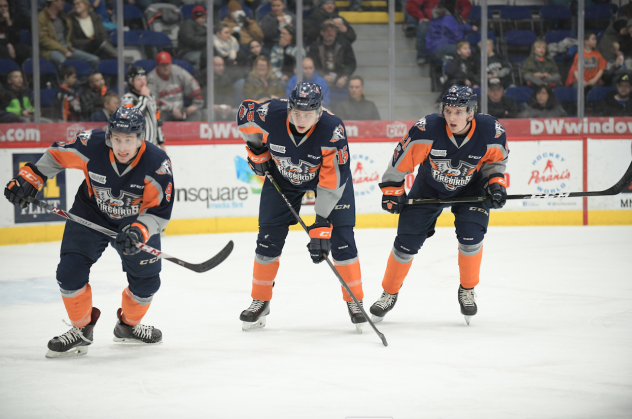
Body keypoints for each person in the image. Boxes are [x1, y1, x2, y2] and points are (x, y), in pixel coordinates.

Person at [3, 107, 173, 358]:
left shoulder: (157, 163)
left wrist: (139, 230)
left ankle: (128, 327)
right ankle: (81, 330)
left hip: (134, 224)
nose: (122, 147)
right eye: (117, 139)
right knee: (69, 272)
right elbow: (56, 155)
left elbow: (158, 212)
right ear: (108, 136)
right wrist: (31, 178)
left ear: (140, 138)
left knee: (147, 283)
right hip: (89, 214)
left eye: (129, 140)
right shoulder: (90, 144)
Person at [369, 85, 508, 326]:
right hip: (429, 187)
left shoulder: (491, 131)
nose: (452, 117)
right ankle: (389, 293)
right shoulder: (428, 128)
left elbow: (494, 164)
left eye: (458, 112)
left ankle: (467, 289)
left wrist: (495, 185)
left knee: (471, 237)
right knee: (406, 242)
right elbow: (401, 160)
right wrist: (392, 190)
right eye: (448, 111)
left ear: (471, 112)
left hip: (471, 188)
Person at [236, 82, 367, 331]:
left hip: (328, 182)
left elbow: (333, 181)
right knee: (267, 239)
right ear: (289, 108)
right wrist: (256, 151)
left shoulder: (332, 130)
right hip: (283, 179)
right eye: (296, 113)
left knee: (341, 239)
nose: (301, 119)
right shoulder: (271, 114)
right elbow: (244, 114)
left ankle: (355, 301)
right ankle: (260, 301)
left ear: (319, 112)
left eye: (308, 114)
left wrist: (321, 223)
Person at [38, 0, 100, 70]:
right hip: (50, 50)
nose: (64, 3)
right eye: (62, 1)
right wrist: (63, 50)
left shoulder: (64, 17)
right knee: (63, 62)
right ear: (54, 1)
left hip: (68, 48)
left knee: (94, 60)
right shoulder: (41, 18)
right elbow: (44, 39)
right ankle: (63, 80)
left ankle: (86, 80)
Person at [406, 0, 472, 65]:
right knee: (423, 26)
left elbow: (466, 4)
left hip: (448, 20)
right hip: (431, 20)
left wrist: (463, 17)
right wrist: (421, 16)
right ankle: (422, 56)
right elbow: (410, 5)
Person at [147, 51, 204, 122]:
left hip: (181, 110)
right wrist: (171, 110)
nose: (165, 68)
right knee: (158, 115)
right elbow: (151, 101)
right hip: (163, 111)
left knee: (197, 114)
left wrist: (194, 106)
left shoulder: (178, 71)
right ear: (158, 66)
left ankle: (189, 132)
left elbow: (193, 88)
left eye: (167, 64)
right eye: (163, 65)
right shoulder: (151, 78)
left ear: (171, 64)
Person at [122, 66, 166, 148]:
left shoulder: (151, 97)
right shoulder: (127, 98)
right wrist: (144, 97)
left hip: (152, 145)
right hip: (135, 147)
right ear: (131, 81)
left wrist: (161, 143)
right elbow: (131, 117)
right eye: (139, 80)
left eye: (144, 79)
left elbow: (157, 121)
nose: (143, 83)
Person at [307, 20, 356, 89]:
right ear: (322, 32)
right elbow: (311, 65)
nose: (330, 33)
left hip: (340, 77)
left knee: (353, 85)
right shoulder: (315, 46)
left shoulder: (344, 44)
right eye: (327, 30)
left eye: (332, 30)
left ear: (336, 31)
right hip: (320, 78)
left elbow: (351, 64)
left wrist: (344, 77)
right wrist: (322, 76)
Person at [0, 0, 32, 65]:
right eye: (0, 6)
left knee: (26, 49)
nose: (3, 9)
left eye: (5, 6)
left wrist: (8, 22)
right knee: (4, 51)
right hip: (2, 46)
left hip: (11, 45)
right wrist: (7, 44)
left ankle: (28, 72)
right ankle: (12, 72)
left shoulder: (12, 19)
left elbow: (16, 38)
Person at [178, 5, 207, 70]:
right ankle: (196, 76)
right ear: (196, 17)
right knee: (202, 59)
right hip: (187, 52)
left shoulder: (203, 27)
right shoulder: (187, 24)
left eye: (205, 18)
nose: (204, 20)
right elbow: (190, 40)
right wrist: (208, 39)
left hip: (201, 51)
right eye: (202, 18)